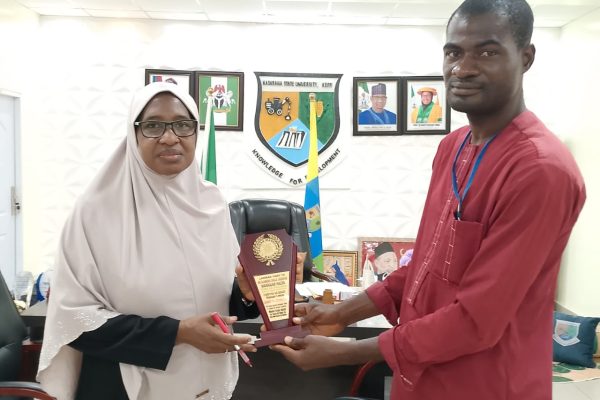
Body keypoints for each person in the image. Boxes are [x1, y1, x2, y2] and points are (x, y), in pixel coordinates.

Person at [271, 1, 586, 399]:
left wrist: (345, 352)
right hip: (420, 381)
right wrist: (340, 312)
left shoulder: (541, 171)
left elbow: (476, 321)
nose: (463, 67)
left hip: (487, 385)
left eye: (487, 52)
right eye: (454, 52)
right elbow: (426, 266)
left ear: (526, 58)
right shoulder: (453, 147)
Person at [37, 82, 303, 400]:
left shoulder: (212, 203)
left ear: (195, 131)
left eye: (182, 124)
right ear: (133, 134)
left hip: (204, 379)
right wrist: (178, 334)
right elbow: (74, 321)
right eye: (153, 125)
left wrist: (247, 295)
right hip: (120, 385)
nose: (169, 137)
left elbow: (214, 297)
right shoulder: (94, 212)